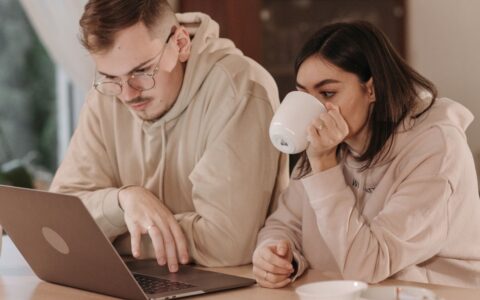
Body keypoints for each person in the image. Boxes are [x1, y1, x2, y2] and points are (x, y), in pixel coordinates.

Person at [50, 0, 288, 273]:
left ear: (181, 43)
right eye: (110, 77)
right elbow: (60, 220)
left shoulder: (240, 90)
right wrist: (124, 202)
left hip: (233, 287)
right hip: (139, 279)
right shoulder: (107, 95)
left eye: (141, 71)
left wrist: (111, 233)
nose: (128, 94)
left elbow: (228, 244)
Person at [253, 20, 480, 288]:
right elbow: (285, 224)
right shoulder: (326, 140)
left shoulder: (436, 148)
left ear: (371, 89)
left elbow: (367, 265)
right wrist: (276, 254)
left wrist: (325, 167)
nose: (314, 109)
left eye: (327, 93)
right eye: (304, 94)